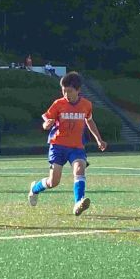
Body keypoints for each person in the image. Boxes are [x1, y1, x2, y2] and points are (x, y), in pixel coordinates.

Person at [27, 72, 107, 216]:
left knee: (79, 169)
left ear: (78, 90)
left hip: (76, 147)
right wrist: (47, 124)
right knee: (53, 182)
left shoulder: (86, 105)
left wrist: (98, 139)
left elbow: (89, 121)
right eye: (63, 90)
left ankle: (78, 203)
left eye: (69, 91)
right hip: (57, 146)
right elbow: (45, 124)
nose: (66, 94)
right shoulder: (58, 104)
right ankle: (34, 189)